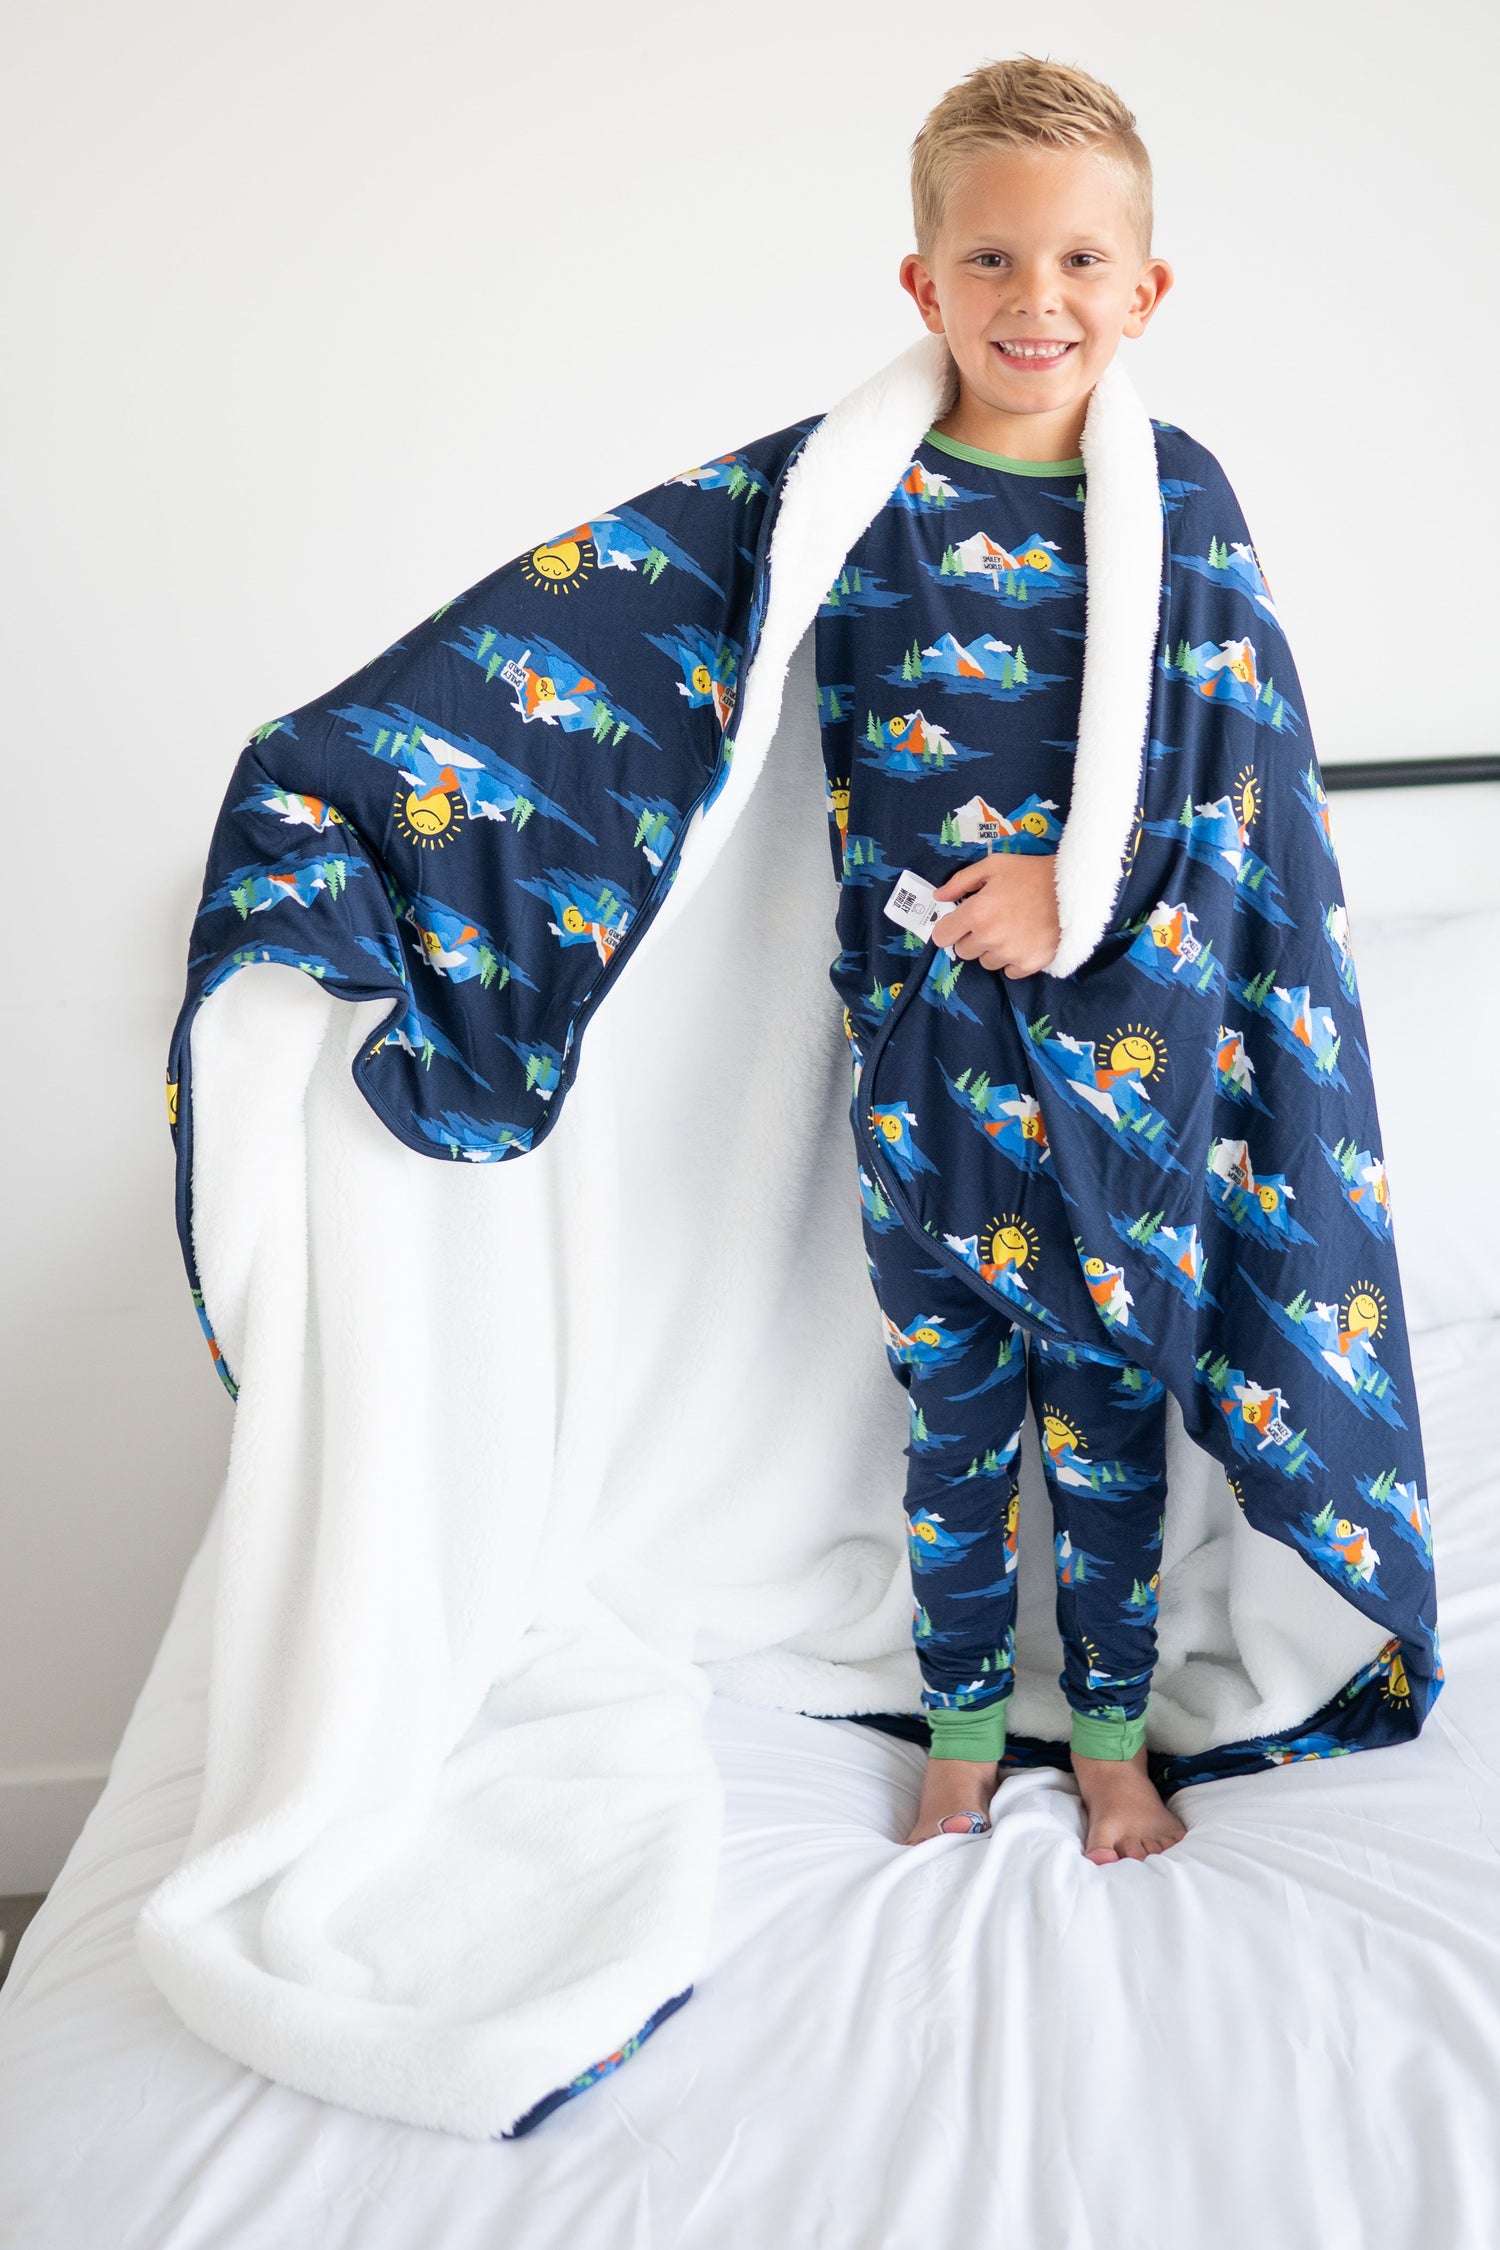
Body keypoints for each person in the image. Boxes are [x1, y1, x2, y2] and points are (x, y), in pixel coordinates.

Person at [815, 55, 1186, 1862]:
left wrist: (1082, 881)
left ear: (1143, 289)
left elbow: (1243, 785)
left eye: (1078, 264)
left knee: (1112, 1424)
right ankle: (962, 1721)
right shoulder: (840, 501)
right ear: (923, 283)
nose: (1035, 303)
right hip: (921, 1072)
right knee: (955, 1425)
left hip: (1121, 1077)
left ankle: (1112, 1730)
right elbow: (673, 666)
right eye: (988, 262)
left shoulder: (1184, 512)